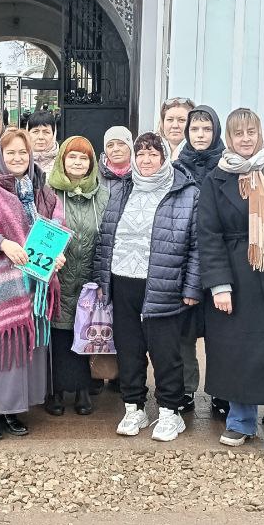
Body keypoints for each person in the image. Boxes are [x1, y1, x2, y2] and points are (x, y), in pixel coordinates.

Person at [197, 108, 264, 465]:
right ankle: (241, 421)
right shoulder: (215, 179)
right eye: (238, 133)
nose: (245, 139)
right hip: (234, 276)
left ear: (259, 134)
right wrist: (218, 285)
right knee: (235, 352)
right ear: (228, 138)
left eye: (251, 132)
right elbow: (208, 235)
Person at [0, 128, 66, 440]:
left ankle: (11, 409)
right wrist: (2, 243)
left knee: (24, 349)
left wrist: (57, 255)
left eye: (23, 153)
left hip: (34, 282)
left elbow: (56, 227)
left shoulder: (42, 190)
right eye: (11, 153)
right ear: (0, 156)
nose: (18, 158)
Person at [93, 133, 201, 441]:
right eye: (140, 154)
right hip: (122, 280)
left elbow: (197, 246)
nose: (146, 160)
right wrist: (102, 279)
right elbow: (106, 237)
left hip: (163, 283)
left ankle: (170, 412)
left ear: (164, 157)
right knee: (129, 348)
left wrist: (192, 287)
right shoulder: (122, 189)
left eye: (153, 154)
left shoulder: (186, 192)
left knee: (166, 351)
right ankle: (134, 407)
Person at [47, 136, 109, 415]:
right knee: (59, 334)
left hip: (89, 275)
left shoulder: (102, 195)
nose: (77, 162)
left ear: (92, 163)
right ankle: (57, 390)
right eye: (72, 156)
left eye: (84, 158)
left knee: (86, 330)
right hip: (59, 275)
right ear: (62, 160)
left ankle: (84, 389)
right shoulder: (49, 191)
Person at [176, 105, 227, 416]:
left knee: (221, 330)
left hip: (220, 255)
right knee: (184, 330)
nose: (200, 135)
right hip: (185, 258)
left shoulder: (228, 165)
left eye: (206, 129)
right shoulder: (177, 167)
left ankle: (223, 390)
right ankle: (186, 387)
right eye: (195, 129)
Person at [98, 125, 134, 194]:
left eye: (121, 144)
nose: (115, 149)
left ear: (130, 147)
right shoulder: (95, 177)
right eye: (110, 145)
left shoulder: (142, 174)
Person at [158, 96, 195, 160]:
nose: (175, 126)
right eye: (170, 119)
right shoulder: (149, 152)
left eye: (181, 120)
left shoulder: (201, 156)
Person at [26, 110, 59, 176]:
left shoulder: (63, 162)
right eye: (35, 132)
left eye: (46, 132)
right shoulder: (18, 160)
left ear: (54, 134)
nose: (41, 137)